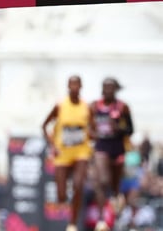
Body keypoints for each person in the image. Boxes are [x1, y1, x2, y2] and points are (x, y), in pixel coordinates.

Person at [41, 75, 93, 231]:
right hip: (62, 153)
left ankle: (73, 223)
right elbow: (44, 126)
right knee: (61, 194)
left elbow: (95, 128)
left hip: (81, 152)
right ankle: (65, 206)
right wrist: (52, 145)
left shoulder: (86, 107)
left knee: (78, 185)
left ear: (81, 87)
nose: (74, 88)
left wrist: (93, 136)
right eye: (71, 85)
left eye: (77, 85)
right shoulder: (60, 106)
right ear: (68, 87)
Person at [90, 77, 134, 231]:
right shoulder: (95, 106)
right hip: (102, 145)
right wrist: (93, 133)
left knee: (115, 186)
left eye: (111, 87)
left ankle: (117, 207)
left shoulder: (123, 107)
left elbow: (130, 129)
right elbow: (88, 125)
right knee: (102, 180)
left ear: (116, 89)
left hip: (117, 147)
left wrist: (118, 128)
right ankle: (102, 219)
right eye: (105, 87)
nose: (108, 90)